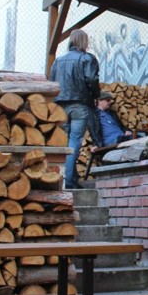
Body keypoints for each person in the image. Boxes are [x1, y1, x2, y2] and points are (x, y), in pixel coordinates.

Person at [49, 29, 100, 189]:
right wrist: (96, 94)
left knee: (64, 143)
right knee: (74, 141)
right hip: (80, 104)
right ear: (83, 42)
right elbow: (91, 79)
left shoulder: (59, 60)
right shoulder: (87, 58)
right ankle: (70, 182)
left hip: (60, 104)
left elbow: (52, 81)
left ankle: (63, 179)